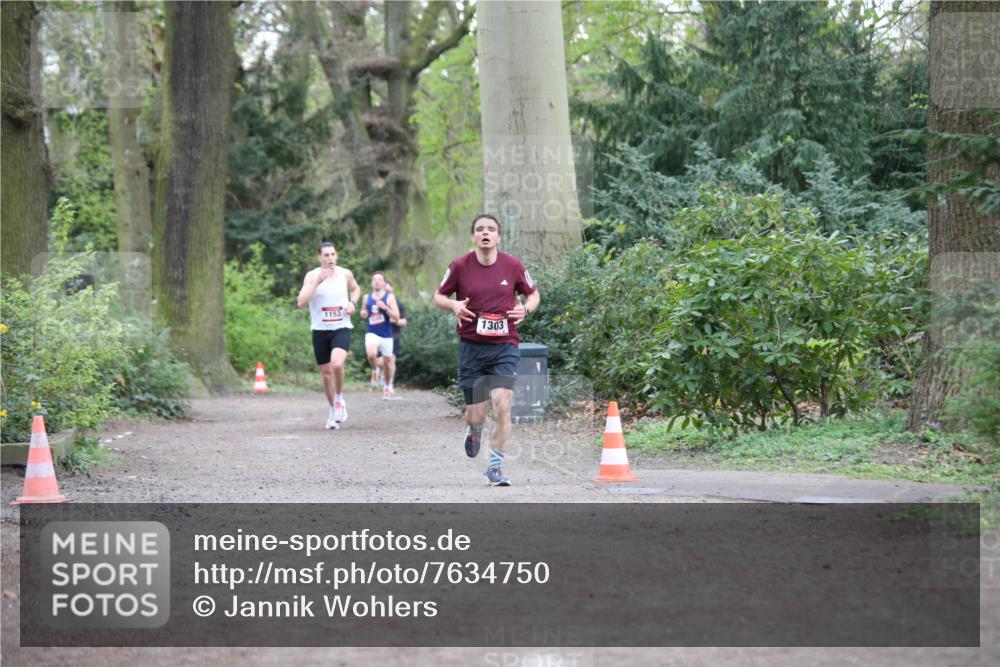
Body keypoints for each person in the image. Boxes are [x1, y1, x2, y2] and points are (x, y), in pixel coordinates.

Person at [432, 214, 540, 486]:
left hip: (505, 346)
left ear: (498, 237)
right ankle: (475, 428)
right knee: (476, 414)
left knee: (503, 406)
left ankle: (495, 467)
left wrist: (525, 309)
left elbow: (533, 294)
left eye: (491, 229)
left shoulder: (513, 266)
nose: (485, 233)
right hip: (472, 348)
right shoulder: (459, 266)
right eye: (480, 229)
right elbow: (438, 296)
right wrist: (454, 306)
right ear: (473, 237)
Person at [296, 242, 361, 429]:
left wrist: (353, 303)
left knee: (337, 363)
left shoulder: (345, 274)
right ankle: (332, 411)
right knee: (325, 374)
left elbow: (355, 289)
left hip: (341, 327)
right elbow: (301, 302)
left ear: (336, 255)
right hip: (320, 330)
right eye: (326, 255)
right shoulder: (312, 276)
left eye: (333, 254)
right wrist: (317, 282)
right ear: (319, 258)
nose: (330, 258)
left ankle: (340, 399)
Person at [360, 272, 400, 400]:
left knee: (388, 364)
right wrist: (364, 313)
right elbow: (362, 312)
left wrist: (385, 308)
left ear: (383, 283)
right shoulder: (366, 297)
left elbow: (397, 317)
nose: (377, 281)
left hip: (386, 335)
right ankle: (375, 370)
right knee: (371, 354)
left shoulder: (389, 297)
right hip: (371, 331)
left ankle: (387, 386)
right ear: (372, 283)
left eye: (379, 279)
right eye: (374, 279)